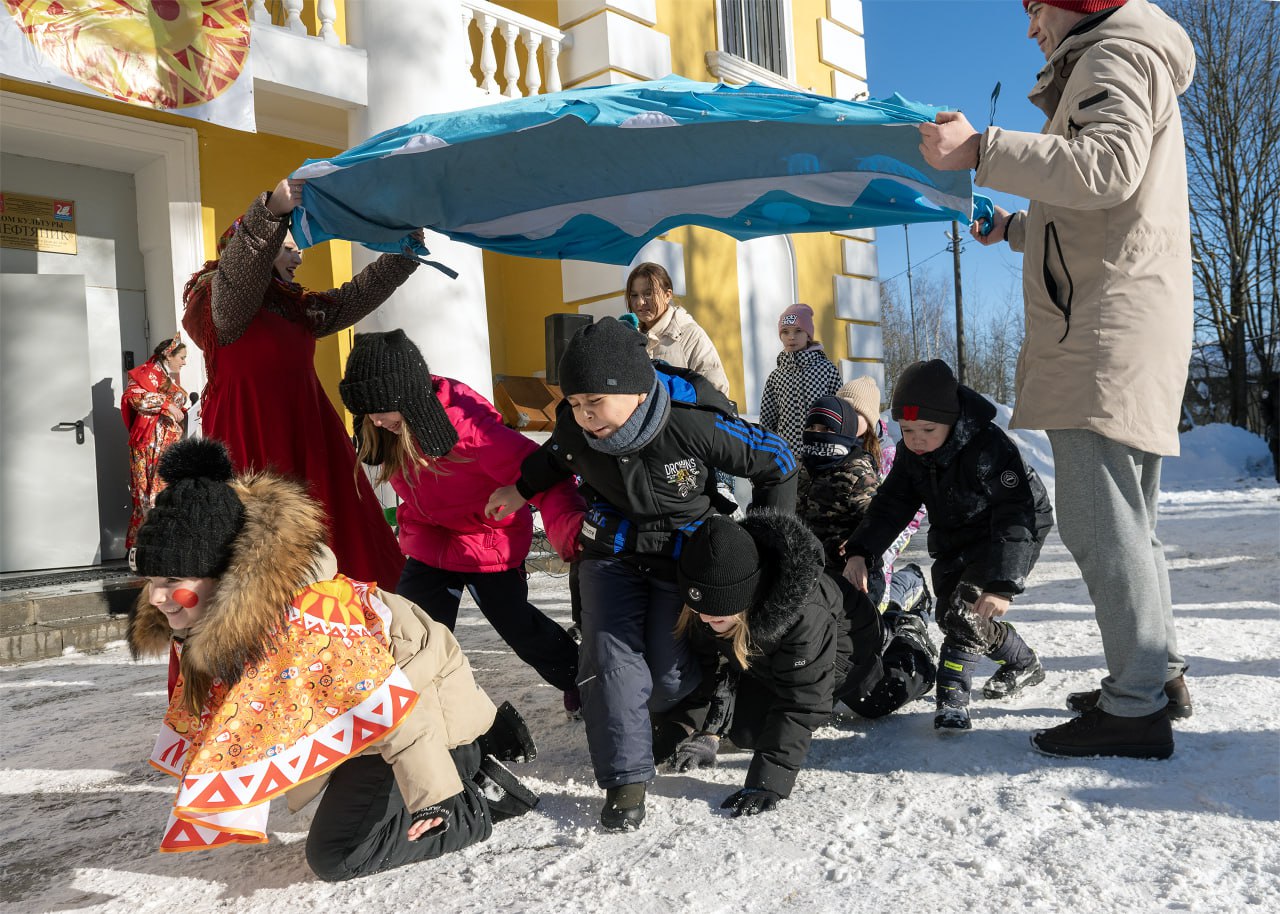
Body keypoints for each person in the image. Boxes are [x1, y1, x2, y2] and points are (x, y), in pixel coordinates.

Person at [917, 0, 1195, 757]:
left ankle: (1135, 707)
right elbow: (1099, 208)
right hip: (1123, 314)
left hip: (1106, 324)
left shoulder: (1111, 57)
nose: (1029, 26)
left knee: (1099, 519)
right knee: (1128, 519)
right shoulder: (1118, 58)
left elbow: (1106, 170)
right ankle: (1156, 676)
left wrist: (982, 148)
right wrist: (1012, 227)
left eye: (1035, 7)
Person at [126, 437, 541, 879]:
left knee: (338, 856)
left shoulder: (309, 630)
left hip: (418, 719)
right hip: (373, 724)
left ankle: (472, 797)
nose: (156, 596)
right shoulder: (224, 611)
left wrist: (434, 795)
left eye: (173, 578)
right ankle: (469, 759)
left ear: (225, 573)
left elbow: (393, 709)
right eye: (152, 578)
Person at [484, 317, 797, 831]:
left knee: (665, 678)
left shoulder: (690, 420)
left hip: (684, 555)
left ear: (635, 390)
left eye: (594, 404)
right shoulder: (576, 427)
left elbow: (778, 460)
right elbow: (555, 458)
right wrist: (520, 490)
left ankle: (689, 708)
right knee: (609, 656)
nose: (584, 417)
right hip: (613, 551)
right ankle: (625, 781)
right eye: (576, 404)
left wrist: (764, 540)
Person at [181, 176, 417, 588]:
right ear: (263, 248)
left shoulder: (296, 309)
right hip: (253, 437)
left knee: (339, 537)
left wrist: (404, 253)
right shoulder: (227, 307)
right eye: (289, 247)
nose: (299, 257)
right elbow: (241, 271)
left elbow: (352, 297)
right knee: (264, 550)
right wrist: (270, 211)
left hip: (309, 433)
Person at [337, 329, 586, 716]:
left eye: (379, 409)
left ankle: (580, 678)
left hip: (489, 541)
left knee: (517, 625)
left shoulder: (474, 434)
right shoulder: (385, 429)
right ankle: (413, 710)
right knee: (413, 630)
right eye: (366, 411)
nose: (374, 420)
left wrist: (567, 529)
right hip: (430, 540)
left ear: (407, 399)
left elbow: (547, 475)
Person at [661, 512, 936, 817]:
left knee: (877, 700)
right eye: (700, 612)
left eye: (716, 615)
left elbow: (804, 701)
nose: (705, 620)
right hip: (769, 656)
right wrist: (698, 729)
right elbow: (715, 666)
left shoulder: (804, 612)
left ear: (743, 597)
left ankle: (909, 634)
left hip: (849, 647)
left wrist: (767, 782)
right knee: (749, 732)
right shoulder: (711, 603)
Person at [843, 360, 1054, 732]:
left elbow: (1014, 513)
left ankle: (952, 701)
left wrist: (1001, 584)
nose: (916, 438)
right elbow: (891, 505)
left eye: (927, 429)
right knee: (952, 615)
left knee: (965, 612)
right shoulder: (914, 454)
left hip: (1016, 525)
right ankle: (1022, 663)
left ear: (952, 420)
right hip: (961, 529)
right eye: (907, 430)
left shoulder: (987, 447)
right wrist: (861, 550)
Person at [837, 377, 930, 612]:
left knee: (877, 597)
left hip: (885, 531)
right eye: (842, 411)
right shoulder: (836, 445)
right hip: (848, 539)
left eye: (854, 412)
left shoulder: (887, 453)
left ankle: (912, 583)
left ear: (869, 419)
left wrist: (881, 543)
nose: (845, 418)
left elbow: (908, 504)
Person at [121, 334, 190, 548]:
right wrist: (166, 405)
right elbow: (132, 397)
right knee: (148, 492)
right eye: (182, 357)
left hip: (166, 443)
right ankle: (147, 544)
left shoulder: (166, 378)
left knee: (163, 489)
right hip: (150, 442)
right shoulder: (147, 374)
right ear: (168, 356)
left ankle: (156, 543)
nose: (184, 362)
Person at [626, 262, 731, 397]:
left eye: (648, 294)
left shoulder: (690, 335)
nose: (640, 302)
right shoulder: (628, 335)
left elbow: (717, 391)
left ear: (667, 295)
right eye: (634, 295)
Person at [759, 303, 842, 459]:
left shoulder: (826, 370)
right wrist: (767, 456)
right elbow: (767, 421)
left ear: (808, 335)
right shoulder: (776, 377)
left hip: (822, 453)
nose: (791, 337)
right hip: (786, 456)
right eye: (785, 332)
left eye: (798, 331)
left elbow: (840, 413)